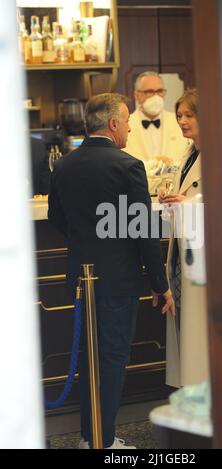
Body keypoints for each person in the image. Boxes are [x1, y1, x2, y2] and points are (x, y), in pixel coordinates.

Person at [48, 93, 175, 449]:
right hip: (117, 280)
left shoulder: (64, 165)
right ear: (114, 124)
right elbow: (143, 231)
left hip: (80, 277)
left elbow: (57, 218)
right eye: (127, 122)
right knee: (113, 360)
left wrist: (88, 239)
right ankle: (101, 442)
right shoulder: (128, 166)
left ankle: (92, 438)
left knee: (91, 360)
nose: (131, 128)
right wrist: (159, 282)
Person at [159, 89, 210, 388]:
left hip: (206, 254)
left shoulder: (220, 151)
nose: (182, 121)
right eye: (179, 115)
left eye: (189, 115)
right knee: (185, 322)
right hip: (183, 248)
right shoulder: (187, 153)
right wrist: (172, 199)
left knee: (199, 328)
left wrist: (189, 202)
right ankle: (191, 389)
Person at [123, 71, 189, 163]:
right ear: (136, 95)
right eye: (149, 92)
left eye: (159, 91)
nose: (156, 97)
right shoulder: (125, 124)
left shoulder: (179, 122)